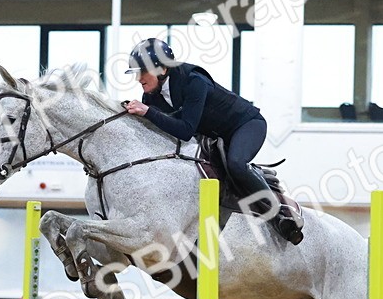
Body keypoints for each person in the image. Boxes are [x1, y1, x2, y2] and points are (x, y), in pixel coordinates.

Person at [122, 38, 303, 245]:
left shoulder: (193, 80)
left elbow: (185, 130)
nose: (138, 79)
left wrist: (148, 113)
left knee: (236, 164)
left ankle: (280, 214)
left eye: (142, 73)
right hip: (213, 136)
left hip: (246, 125)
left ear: (162, 69)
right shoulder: (151, 97)